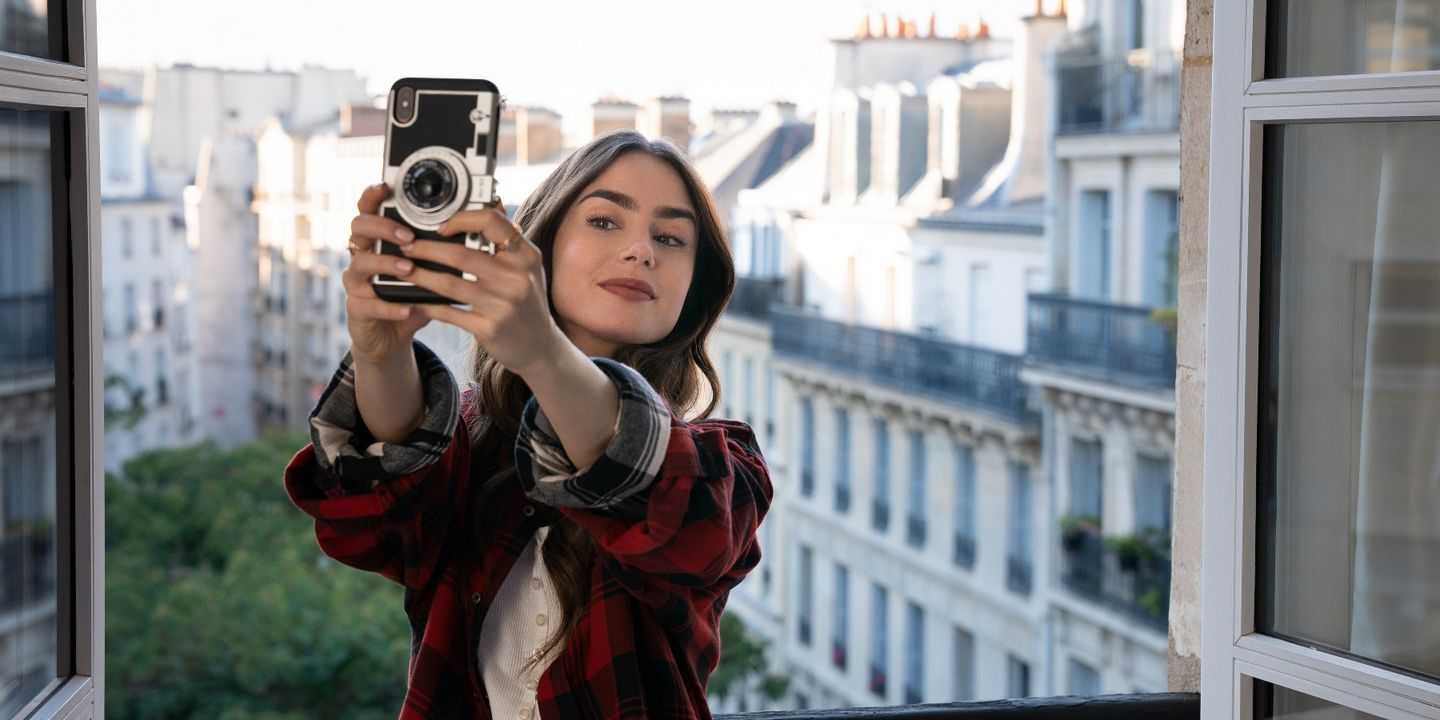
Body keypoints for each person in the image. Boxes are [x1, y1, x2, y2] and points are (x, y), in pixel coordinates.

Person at [283, 129, 772, 720]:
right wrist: (380, 350)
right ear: (541, 242)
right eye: (604, 222)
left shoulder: (723, 464)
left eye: (670, 238)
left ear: (694, 291)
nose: (642, 250)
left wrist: (540, 348)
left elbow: (681, 516)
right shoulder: (468, 440)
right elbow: (372, 510)